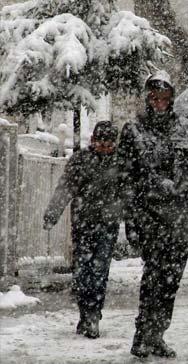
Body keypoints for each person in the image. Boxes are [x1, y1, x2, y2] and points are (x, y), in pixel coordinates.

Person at [119, 70, 188, 358]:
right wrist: (131, 220)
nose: (159, 102)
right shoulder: (134, 131)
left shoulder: (185, 129)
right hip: (150, 215)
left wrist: (187, 190)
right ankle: (142, 334)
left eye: (164, 97)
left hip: (179, 217)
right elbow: (126, 177)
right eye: (154, 97)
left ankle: (158, 334)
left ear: (172, 98)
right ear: (147, 98)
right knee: (153, 276)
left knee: (171, 280)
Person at [42, 121, 122, 339]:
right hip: (84, 224)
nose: (105, 147)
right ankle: (85, 312)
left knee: (100, 271)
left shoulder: (121, 162)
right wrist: (52, 213)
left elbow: (130, 194)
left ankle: (94, 314)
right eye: (101, 142)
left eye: (109, 143)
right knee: (82, 272)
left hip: (108, 224)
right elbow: (65, 188)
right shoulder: (80, 160)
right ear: (94, 141)